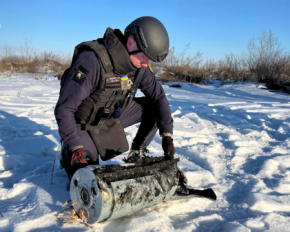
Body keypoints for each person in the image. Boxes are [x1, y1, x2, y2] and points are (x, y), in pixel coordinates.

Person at [55, 16, 175, 179]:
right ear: (131, 42)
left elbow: (158, 97)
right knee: (89, 179)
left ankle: (136, 155)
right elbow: (65, 109)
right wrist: (75, 147)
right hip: (82, 123)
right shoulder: (92, 61)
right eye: (145, 57)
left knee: (153, 108)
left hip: (111, 116)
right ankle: (68, 150)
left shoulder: (139, 67)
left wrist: (167, 134)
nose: (146, 64)